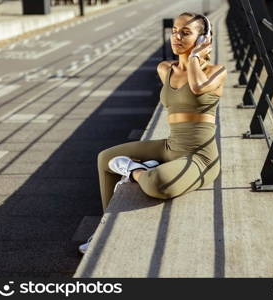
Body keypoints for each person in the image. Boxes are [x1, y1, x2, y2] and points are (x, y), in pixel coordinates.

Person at [78, 11, 227, 254]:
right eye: (175, 31)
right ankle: (104, 231)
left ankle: (136, 170)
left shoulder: (216, 72)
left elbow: (198, 87)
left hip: (201, 157)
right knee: (105, 158)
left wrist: (195, 58)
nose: (176, 37)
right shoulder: (165, 68)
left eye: (186, 33)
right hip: (170, 146)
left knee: (158, 184)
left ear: (204, 39)